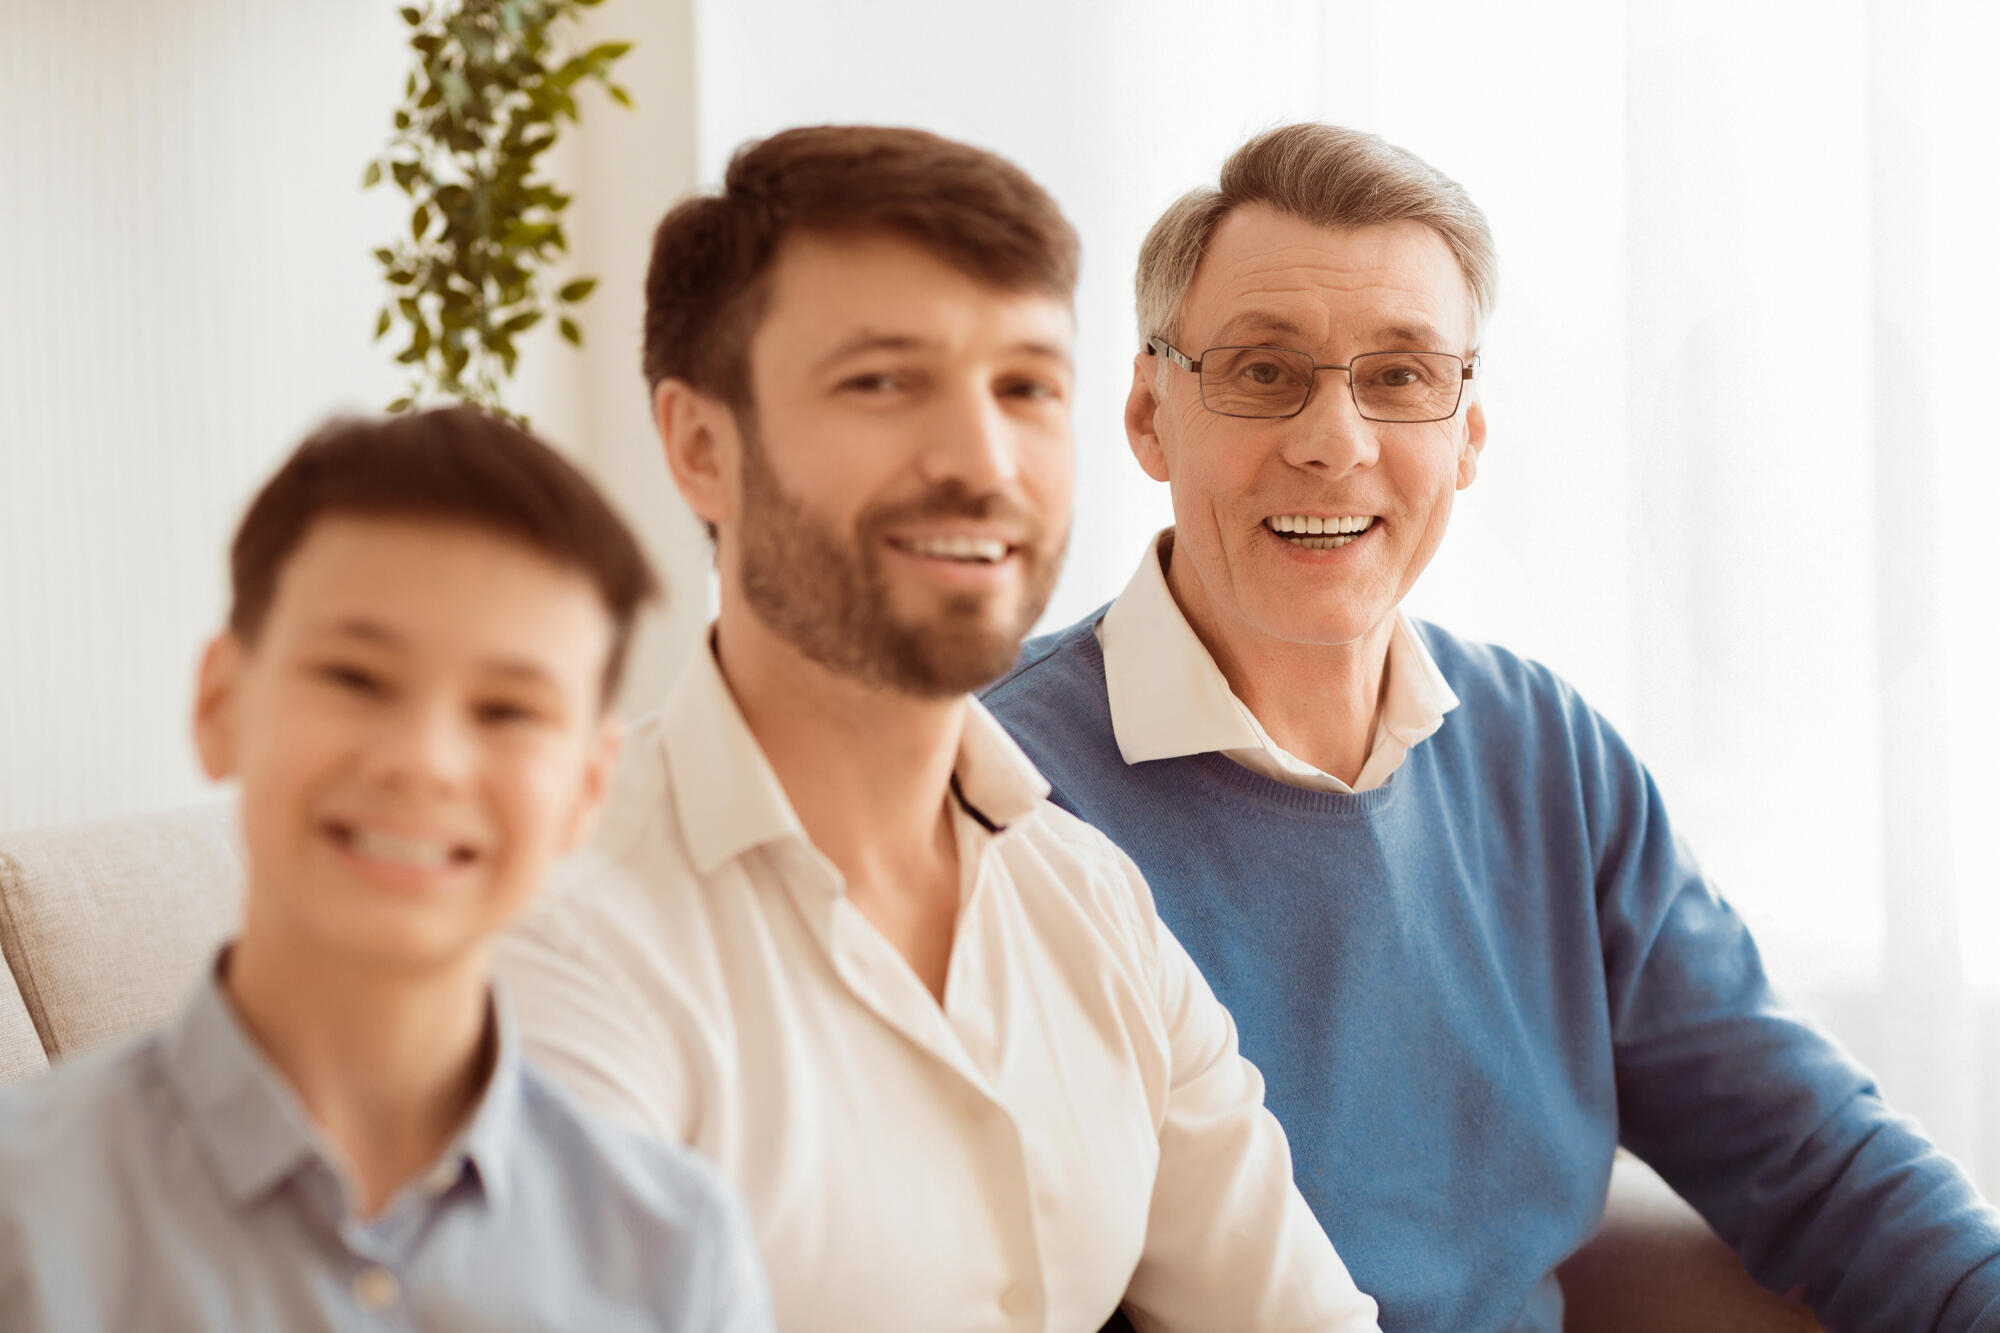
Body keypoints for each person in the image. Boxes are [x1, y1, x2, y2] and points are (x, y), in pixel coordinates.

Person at [981, 123, 2000, 1333]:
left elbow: (1817, 1161)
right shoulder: (996, 787)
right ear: (1150, 415)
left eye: (1400, 377)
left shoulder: (1546, 758)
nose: (1333, 440)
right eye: (1262, 371)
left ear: (1465, 434)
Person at [493, 125, 1381, 1333]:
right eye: (881, 381)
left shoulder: (1087, 901)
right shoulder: (546, 936)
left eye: (1023, 387)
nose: (980, 460)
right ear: (702, 448)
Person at [0, 409, 773, 1332]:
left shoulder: (675, 1250)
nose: (426, 761)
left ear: (586, 787)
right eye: (357, 679)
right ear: (221, 703)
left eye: (508, 709)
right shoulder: (25, 1211)